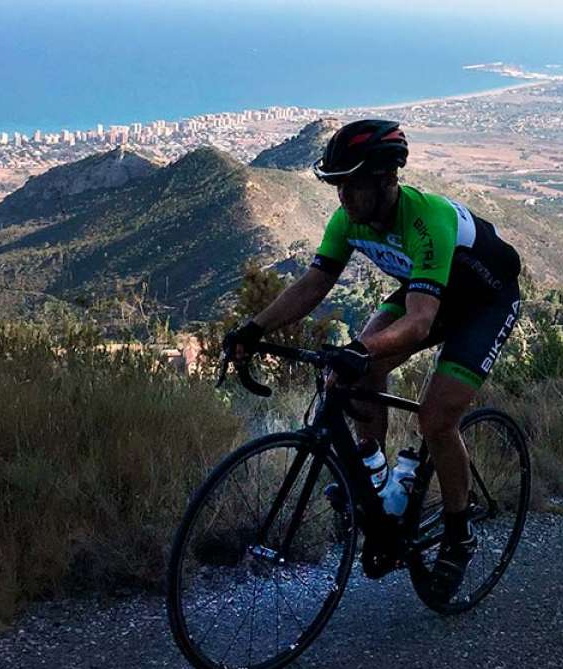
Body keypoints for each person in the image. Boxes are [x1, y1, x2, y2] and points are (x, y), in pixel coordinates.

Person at [223, 119, 522, 602]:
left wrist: (362, 351)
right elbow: (312, 285)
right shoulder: (348, 221)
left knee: (436, 417)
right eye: (338, 186)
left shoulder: (427, 220)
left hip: (484, 303)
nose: (343, 198)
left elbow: (422, 322)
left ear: (387, 181)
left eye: (352, 186)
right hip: (430, 290)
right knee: (357, 368)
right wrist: (254, 329)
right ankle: (377, 477)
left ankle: (458, 534)